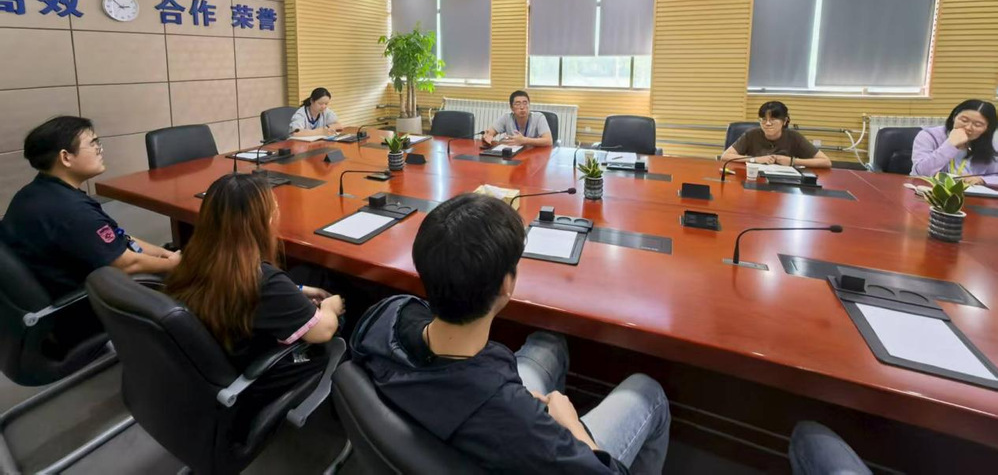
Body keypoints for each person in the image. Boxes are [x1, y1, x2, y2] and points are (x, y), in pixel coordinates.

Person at [351, 193, 670, 474]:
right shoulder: (520, 427)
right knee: (647, 392)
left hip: (455, 408)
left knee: (548, 342)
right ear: (507, 284)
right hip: (507, 424)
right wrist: (570, 426)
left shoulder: (387, 313)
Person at [166, 173, 345, 437]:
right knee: (343, 322)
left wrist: (297, 290)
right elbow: (323, 331)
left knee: (307, 275)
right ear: (262, 222)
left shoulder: (197, 256)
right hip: (259, 373)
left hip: (222, 347)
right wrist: (330, 306)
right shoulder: (263, 280)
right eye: (274, 209)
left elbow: (256, 289)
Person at [1, 116, 180, 301]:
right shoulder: (71, 211)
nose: (99, 150)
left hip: (51, 290)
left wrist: (164, 254)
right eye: (93, 144)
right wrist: (174, 265)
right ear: (66, 157)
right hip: (80, 304)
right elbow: (126, 264)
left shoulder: (34, 193)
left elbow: (117, 237)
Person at [910, 99, 998, 186]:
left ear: (987, 128)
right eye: (964, 120)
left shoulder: (991, 143)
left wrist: (982, 179)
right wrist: (950, 145)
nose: (968, 127)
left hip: (970, 192)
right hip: (929, 189)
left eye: (977, 125)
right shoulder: (929, 136)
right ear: (954, 117)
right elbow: (921, 173)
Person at [720, 101, 831, 169]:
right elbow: (725, 156)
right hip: (756, 179)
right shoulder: (751, 134)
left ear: (785, 121)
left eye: (773, 119)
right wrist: (755, 159)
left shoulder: (794, 137)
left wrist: (792, 161)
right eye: (763, 119)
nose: (767, 124)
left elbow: (826, 162)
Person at [483, 90, 553, 147]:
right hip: (514, 154)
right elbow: (491, 132)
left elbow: (548, 141)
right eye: (517, 104)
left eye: (525, 103)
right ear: (511, 107)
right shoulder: (506, 117)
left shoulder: (539, 117)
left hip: (533, 153)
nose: (522, 107)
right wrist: (488, 136)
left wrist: (524, 140)